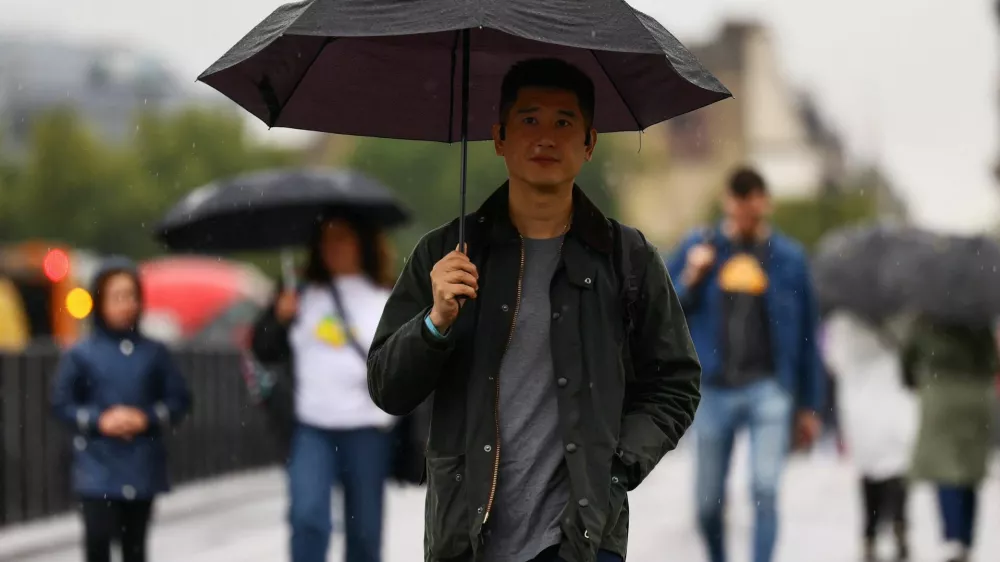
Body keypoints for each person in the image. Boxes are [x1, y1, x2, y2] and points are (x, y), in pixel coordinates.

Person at [367, 58, 702, 562]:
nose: (545, 137)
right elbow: (388, 388)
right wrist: (435, 323)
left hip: (582, 539)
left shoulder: (627, 259)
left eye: (564, 122)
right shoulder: (446, 255)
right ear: (499, 137)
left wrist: (614, 466)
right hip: (466, 536)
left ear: (589, 143)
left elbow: (676, 382)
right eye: (529, 120)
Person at [664, 167, 825, 562]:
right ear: (728, 204)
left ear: (764, 204)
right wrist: (693, 275)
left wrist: (810, 405)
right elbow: (663, 312)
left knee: (765, 489)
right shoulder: (700, 247)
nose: (746, 218)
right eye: (739, 209)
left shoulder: (788, 258)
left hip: (769, 387)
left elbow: (808, 335)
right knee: (706, 504)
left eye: (753, 209)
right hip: (714, 389)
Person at [251, 217, 397, 562]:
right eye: (327, 240)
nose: (334, 247)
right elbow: (263, 348)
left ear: (362, 243)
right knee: (307, 517)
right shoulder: (298, 292)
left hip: (367, 429)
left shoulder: (386, 294)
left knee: (364, 531)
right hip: (312, 427)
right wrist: (278, 316)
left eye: (343, 239)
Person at [50, 257, 192, 562]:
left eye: (130, 296)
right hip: (96, 461)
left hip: (141, 458)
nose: (125, 305)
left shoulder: (154, 352)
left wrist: (147, 418)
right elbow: (61, 404)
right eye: (116, 297)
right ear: (100, 301)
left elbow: (179, 400)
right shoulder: (81, 354)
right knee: (98, 539)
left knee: (135, 545)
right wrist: (99, 420)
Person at [822, 310, 918, 561]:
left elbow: (834, 360)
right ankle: (899, 520)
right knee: (897, 467)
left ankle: (869, 533)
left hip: (859, 400)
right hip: (895, 396)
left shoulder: (844, 318)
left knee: (869, 472)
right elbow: (914, 353)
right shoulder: (902, 312)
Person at [902, 317, 999, 562]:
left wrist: (912, 380)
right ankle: (966, 538)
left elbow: (909, 356)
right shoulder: (978, 315)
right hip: (975, 396)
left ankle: (952, 536)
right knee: (969, 470)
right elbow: (991, 360)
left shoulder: (927, 316)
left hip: (939, 394)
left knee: (945, 469)